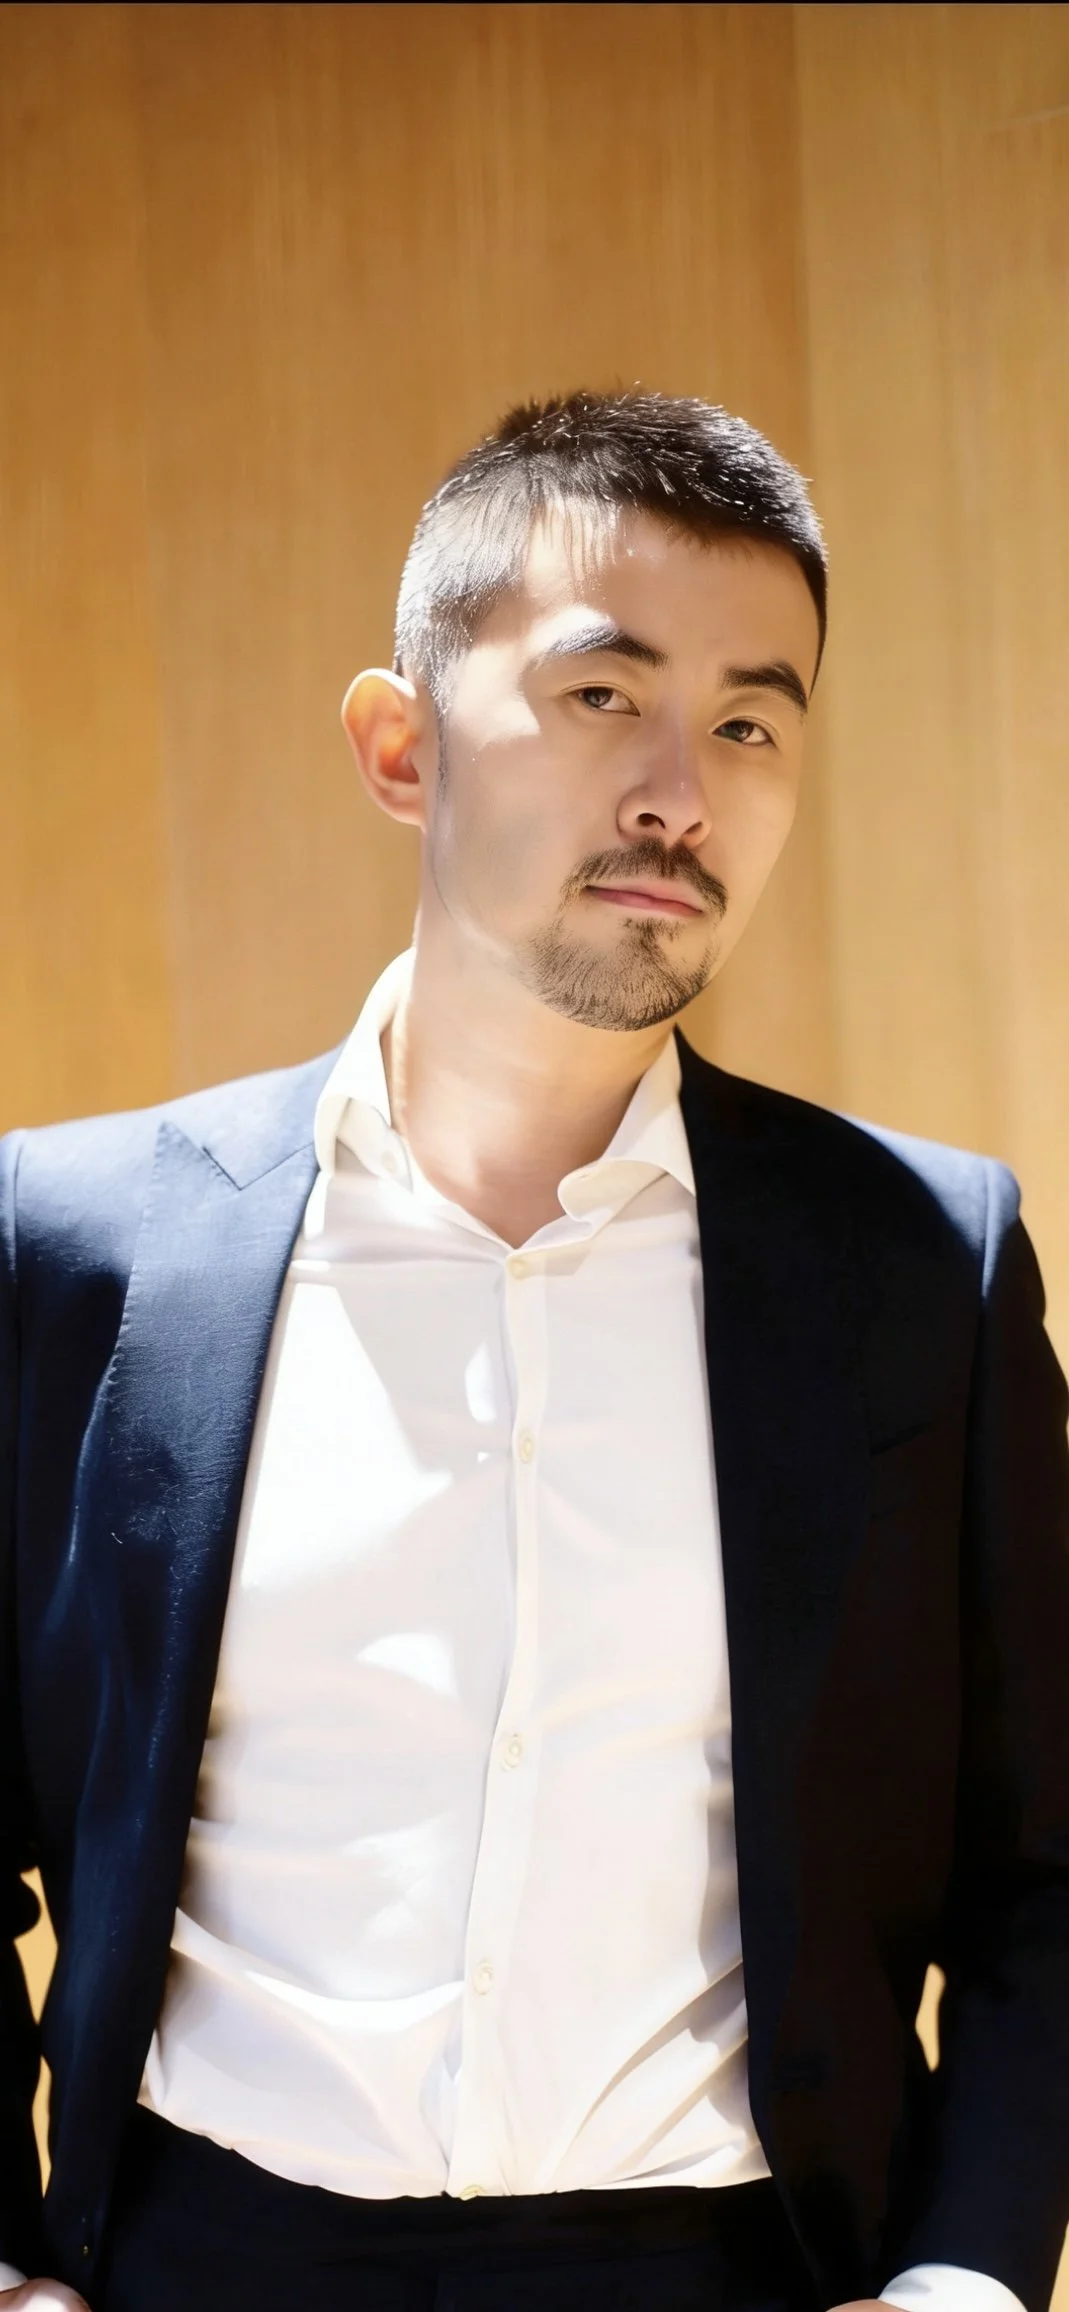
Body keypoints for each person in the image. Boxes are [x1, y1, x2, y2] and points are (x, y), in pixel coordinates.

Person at [1, 391, 1067, 2312]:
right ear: (401, 746)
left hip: (730, 2269)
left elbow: (1047, 1873)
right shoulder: (76, 1246)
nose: (682, 792)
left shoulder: (930, 1263)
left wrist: (964, 2287)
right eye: (603, 695)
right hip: (203, 2262)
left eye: (750, 723)